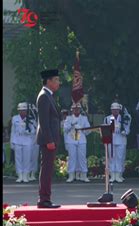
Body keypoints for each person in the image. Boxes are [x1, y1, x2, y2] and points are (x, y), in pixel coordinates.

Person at [36, 69, 61, 208]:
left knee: (48, 169)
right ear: (49, 81)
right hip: (48, 140)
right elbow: (44, 122)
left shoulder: (49, 95)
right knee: (46, 169)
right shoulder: (44, 96)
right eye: (56, 80)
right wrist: (49, 140)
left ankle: (46, 198)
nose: (58, 83)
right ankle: (43, 199)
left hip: (51, 139)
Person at [104, 102, 131, 183]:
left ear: (119, 110)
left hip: (121, 140)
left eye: (116, 110)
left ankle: (119, 175)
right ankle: (112, 175)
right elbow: (105, 130)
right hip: (111, 140)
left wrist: (125, 132)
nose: (115, 111)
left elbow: (127, 128)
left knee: (120, 158)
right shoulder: (107, 118)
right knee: (112, 158)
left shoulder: (124, 118)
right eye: (113, 110)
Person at [64, 103, 91, 183]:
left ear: (80, 110)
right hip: (71, 140)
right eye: (74, 109)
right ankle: (71, 175)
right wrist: (72, 125)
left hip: (81, 140)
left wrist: (82, 129)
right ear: (72, 110)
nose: (76, 110)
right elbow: (65, 129)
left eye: (78, 109)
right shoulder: (68, 118)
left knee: (82, 158)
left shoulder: (84, 118)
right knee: (72, 158)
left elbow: (88, 130)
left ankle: (84, 175)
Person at [10, 102, 36, 183]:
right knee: (18, 159)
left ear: (26, 111)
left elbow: (34, 130)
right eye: (20, 110)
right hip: (17, 140)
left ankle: (25, 175)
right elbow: (13, 131)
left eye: (24, 110)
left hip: (27, 140)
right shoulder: (15, 118)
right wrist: (12, 142)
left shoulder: (31, 118)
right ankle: (20, 175)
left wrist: (29, 132)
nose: (22, 112)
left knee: (27, 159)